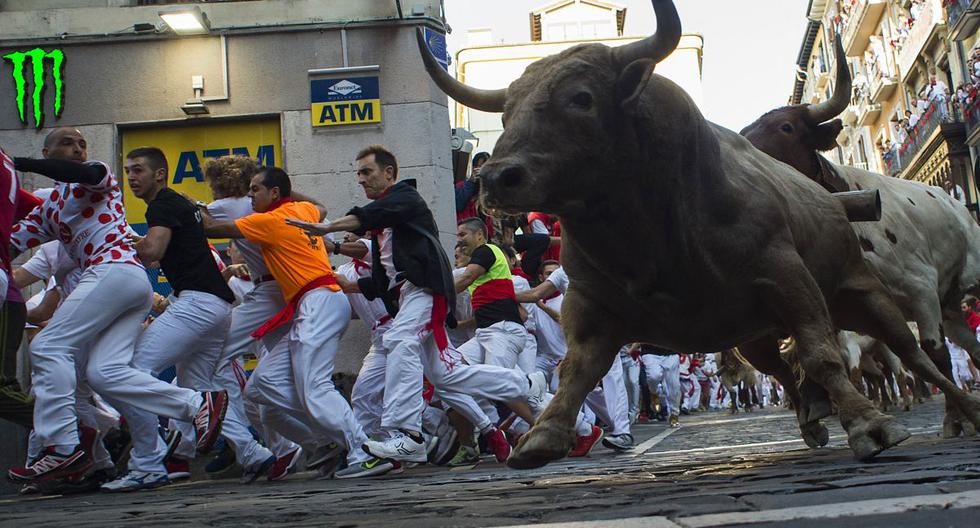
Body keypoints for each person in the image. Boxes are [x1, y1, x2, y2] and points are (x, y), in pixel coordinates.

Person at [285, 144, 547, 468]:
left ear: (389, 174)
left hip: (426, 291)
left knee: (399, 340)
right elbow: (384, 278)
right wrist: (356, 284)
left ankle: (408, 435)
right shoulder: (385, 225)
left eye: (367, 172)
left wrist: (329, 227)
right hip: (410, 295)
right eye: (358, 174)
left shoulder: (407, 199)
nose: (361, 180)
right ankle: (526, 384)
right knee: (447, 376)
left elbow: (371, 215)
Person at [6, 128, 227, 485]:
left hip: (113, 272)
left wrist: (15, 163)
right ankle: (194, 405)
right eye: (67, 143)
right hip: (128, 285)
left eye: (81, 144)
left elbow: (82, 173)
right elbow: (10, 243)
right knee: (104, 373)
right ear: (48, 151)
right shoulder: (50, 211)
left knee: (47, 346)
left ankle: (63, 447)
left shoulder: (98, 177)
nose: (78, 149)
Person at [99, 147, 271, 492]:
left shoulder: (163, 204)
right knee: (201, 388)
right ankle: (253, 452)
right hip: (217, 308)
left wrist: (109, 244)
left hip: (196, 304)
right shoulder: (179, 204)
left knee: (132, 373)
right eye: (128, 171)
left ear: (160, 174)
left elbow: (152, 253)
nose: (131, 177)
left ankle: (148, 463)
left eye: (138, 170)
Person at [201, 165, 386, 479]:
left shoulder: (268, 220)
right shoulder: (301, 209)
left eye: (255, 189)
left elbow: (213, 230)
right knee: (259, 389)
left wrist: (188, 208)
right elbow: (321, 207)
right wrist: (282, 190)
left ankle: (364, 450)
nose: (248, 195)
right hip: (316, 303)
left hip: (318, 302)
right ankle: (326, 443)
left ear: (274, 193)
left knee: (313, 389)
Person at [201, 155, 302, 482]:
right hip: (282, 292)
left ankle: (262, 444)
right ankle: (284, 447)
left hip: (267, 294)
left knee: (213, 356)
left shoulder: (230, 206)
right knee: (267, 384)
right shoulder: (262, 206)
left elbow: (192, 220)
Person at [514, 263, 633, 449]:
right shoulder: (564, 272)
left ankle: (622, 431)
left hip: (608, 331)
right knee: (582, 385)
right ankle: (609, 424)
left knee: (612, 378)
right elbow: (535, 294)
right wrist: (502, 296)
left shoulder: (607, 266)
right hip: (581, 340)